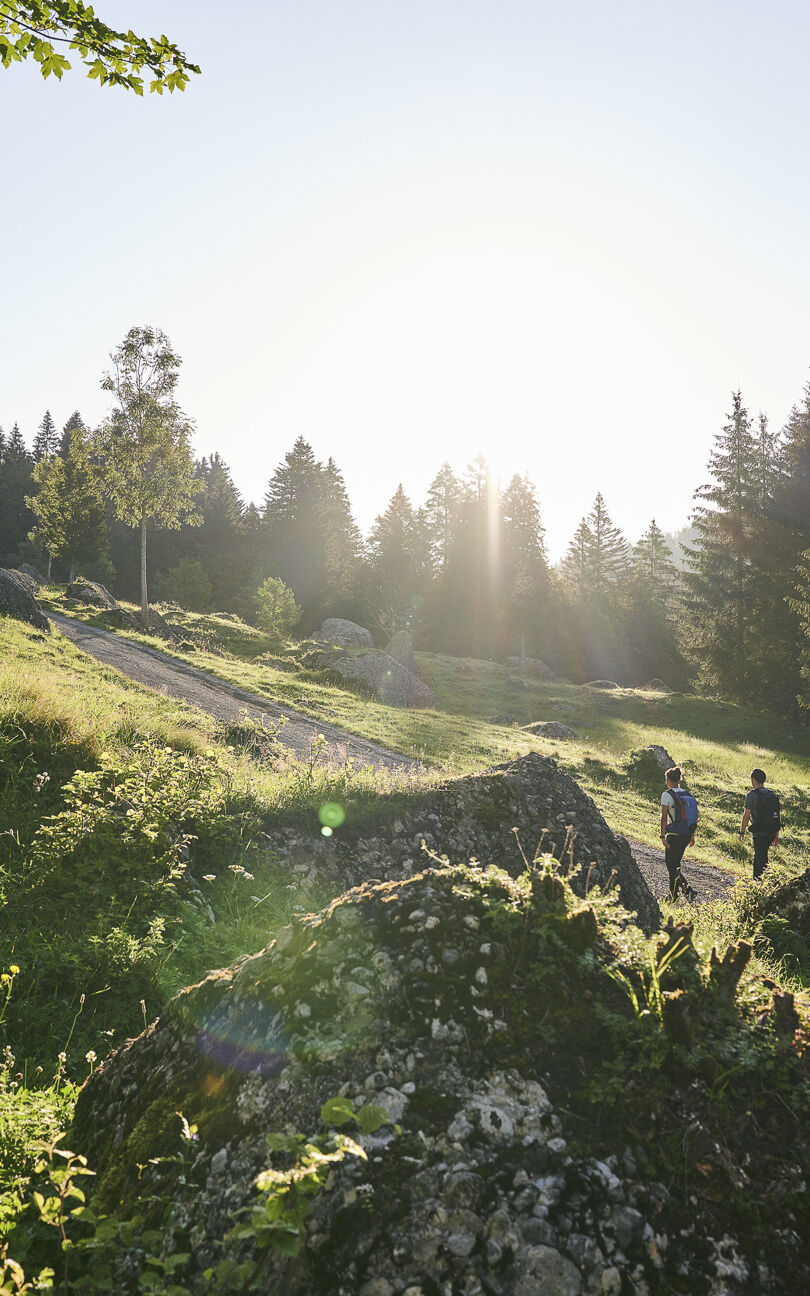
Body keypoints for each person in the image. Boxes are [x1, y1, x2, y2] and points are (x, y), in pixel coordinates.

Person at [660, 765, 698, 900]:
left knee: (671, 865)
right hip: (686, 834)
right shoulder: (686, 794)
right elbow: (692, 816)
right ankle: (686, 892)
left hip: (674, 835)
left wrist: (662, 836)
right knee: (674, 864)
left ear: (668, 780)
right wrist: (692, 836)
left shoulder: (667, 794)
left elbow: (664, 817)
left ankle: (674, 896)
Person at [739, 768, 781, 879]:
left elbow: (746, 815)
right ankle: (756, 883)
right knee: (759, 858)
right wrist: (776, 834)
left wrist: (741, 832)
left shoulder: (752, 795)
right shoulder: (772, 794)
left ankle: (771, 884)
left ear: (753, 779)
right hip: (771, 831)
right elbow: (776, 816)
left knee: (761, 861)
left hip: (760, 833)